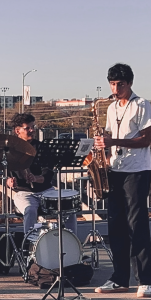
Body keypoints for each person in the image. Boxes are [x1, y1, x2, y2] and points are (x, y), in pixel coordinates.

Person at [94, 63, 151, 298]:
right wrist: (102, 148)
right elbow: (109, 135)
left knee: (137, 224)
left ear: (129, 83)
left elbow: (146, 139)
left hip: (137, 170)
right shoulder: (112, 108)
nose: (115, 89)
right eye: (112, 84)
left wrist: (114, 143)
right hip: (115, 170)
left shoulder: (142, 105)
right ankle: (119, 279)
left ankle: (145, 280)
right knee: (115, 225)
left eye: (120, 84)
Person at [8, 113, 77, 235]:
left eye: (32, 127)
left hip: (46, 190)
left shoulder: (42, 148)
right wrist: (9, 182)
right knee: (30, 210)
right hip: (24, 193)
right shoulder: (10, 151)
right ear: (17, 131)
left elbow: (48, 174)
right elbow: (6, 174)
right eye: (27, 128)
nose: (32, 130)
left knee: (69, 209)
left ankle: (72, 244)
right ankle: (29, 244)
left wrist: (35, 178)